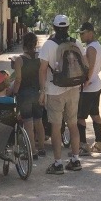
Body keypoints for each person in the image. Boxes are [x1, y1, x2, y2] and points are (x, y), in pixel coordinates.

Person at [39, 14, 87, 174]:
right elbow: (85, 64)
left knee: (56, 127)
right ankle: (75, 160)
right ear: (68, 27)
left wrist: (42, 91)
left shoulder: (48, 45)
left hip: (54, 90)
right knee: (73, 125)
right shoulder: (76, 43)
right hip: (73, 89)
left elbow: (43, 70)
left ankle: (58, 163)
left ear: (54, 27)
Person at [9, 32, 45, 158]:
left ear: (23, 44)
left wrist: (14, 92)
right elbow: (42, 77)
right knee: (39, 121)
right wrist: (42, 92)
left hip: (24, 94)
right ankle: (42, 148)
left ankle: (32, 151)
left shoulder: (19, 60)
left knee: (28, 124)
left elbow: (18, 79)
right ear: (35, 44)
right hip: (37, 93)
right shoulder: (40, 59)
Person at [77, 22, 101, 155]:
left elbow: (91, 66)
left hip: (89, 88)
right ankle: (99, 143)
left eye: (83, 33)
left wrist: (86, 82)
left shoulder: (91, 48)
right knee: (95, 114)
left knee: (80, 117)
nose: (81, 36)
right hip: (96, 85)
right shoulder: (97, 45)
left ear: (90, 33)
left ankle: (83, 146)